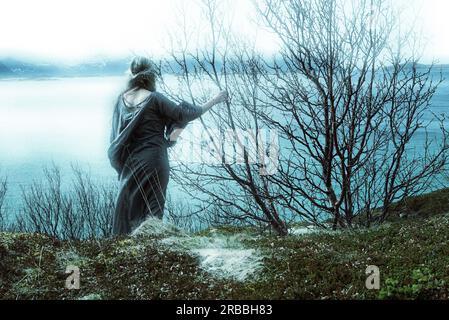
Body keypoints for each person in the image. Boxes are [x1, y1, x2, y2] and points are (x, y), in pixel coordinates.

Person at [108, 56, 228, 235]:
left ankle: (126, 250)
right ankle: (150, 251)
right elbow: (184, 114)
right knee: (153, 209)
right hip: (154, 160)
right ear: (151, 75)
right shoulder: (155, 98)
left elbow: (116, 136)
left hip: (130, 163)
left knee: (128, 207)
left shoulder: (121, 99)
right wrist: (215, 99)